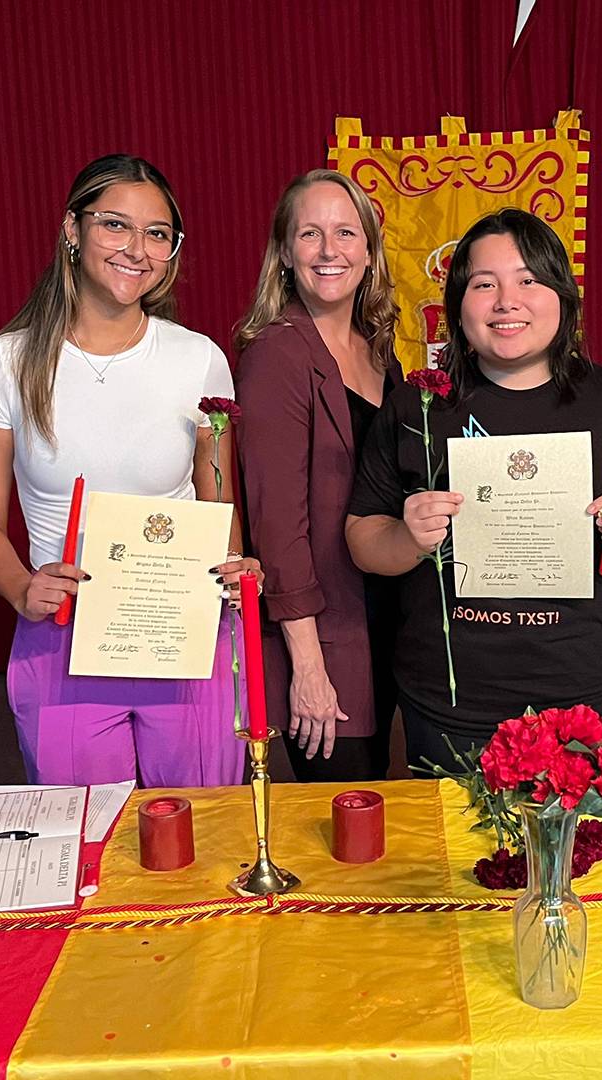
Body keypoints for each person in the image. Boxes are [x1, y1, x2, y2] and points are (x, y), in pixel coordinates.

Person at [0, 154, 258, 788]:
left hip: (183, 630)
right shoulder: (3, 365)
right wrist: (19, 587)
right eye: (115, 225)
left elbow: (216, 507)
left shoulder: (197, 359)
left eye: (157, 233)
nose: (138, 249)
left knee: (203, 836)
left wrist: (235, 569)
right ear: (72, 229)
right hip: (62, 633)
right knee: (88, 847)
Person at [345, 207, 602, 769]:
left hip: (582, 693)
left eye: (529, 280)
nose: (506, 301)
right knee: (454, 856)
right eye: (484, 284)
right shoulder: (419, 405)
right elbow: (362, 537)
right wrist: (408, 537)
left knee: (570, 856)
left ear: (564, 297)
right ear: (456, 302)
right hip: (451, 698)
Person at [235, 170, 402, 781]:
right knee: (344, 815)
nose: (330, 251)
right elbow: (277, 524)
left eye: (345, 233)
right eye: (310, 234)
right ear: (284, 252)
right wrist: (306, 662)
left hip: (388, 616)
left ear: (369, 251)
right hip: (327, 632)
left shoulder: (380, 350)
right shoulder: (277, 354)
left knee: (384, 799)